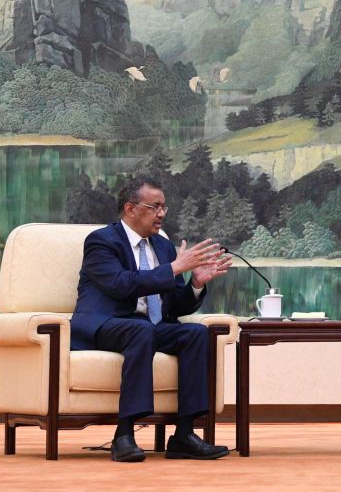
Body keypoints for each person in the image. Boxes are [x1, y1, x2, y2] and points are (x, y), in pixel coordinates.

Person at [71, 175, 233, 462]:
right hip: (106, 323)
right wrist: (172, 270)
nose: (161, 214)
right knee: (139, 330)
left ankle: (184, 435)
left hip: (147, 327)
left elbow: (176, 305)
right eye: (154, 206)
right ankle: (124, 435)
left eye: (164, 207)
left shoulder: (163, 247)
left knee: (195, 334)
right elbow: (121, 284)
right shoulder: (101, 241)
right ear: (131, 209)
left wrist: (195, 283)